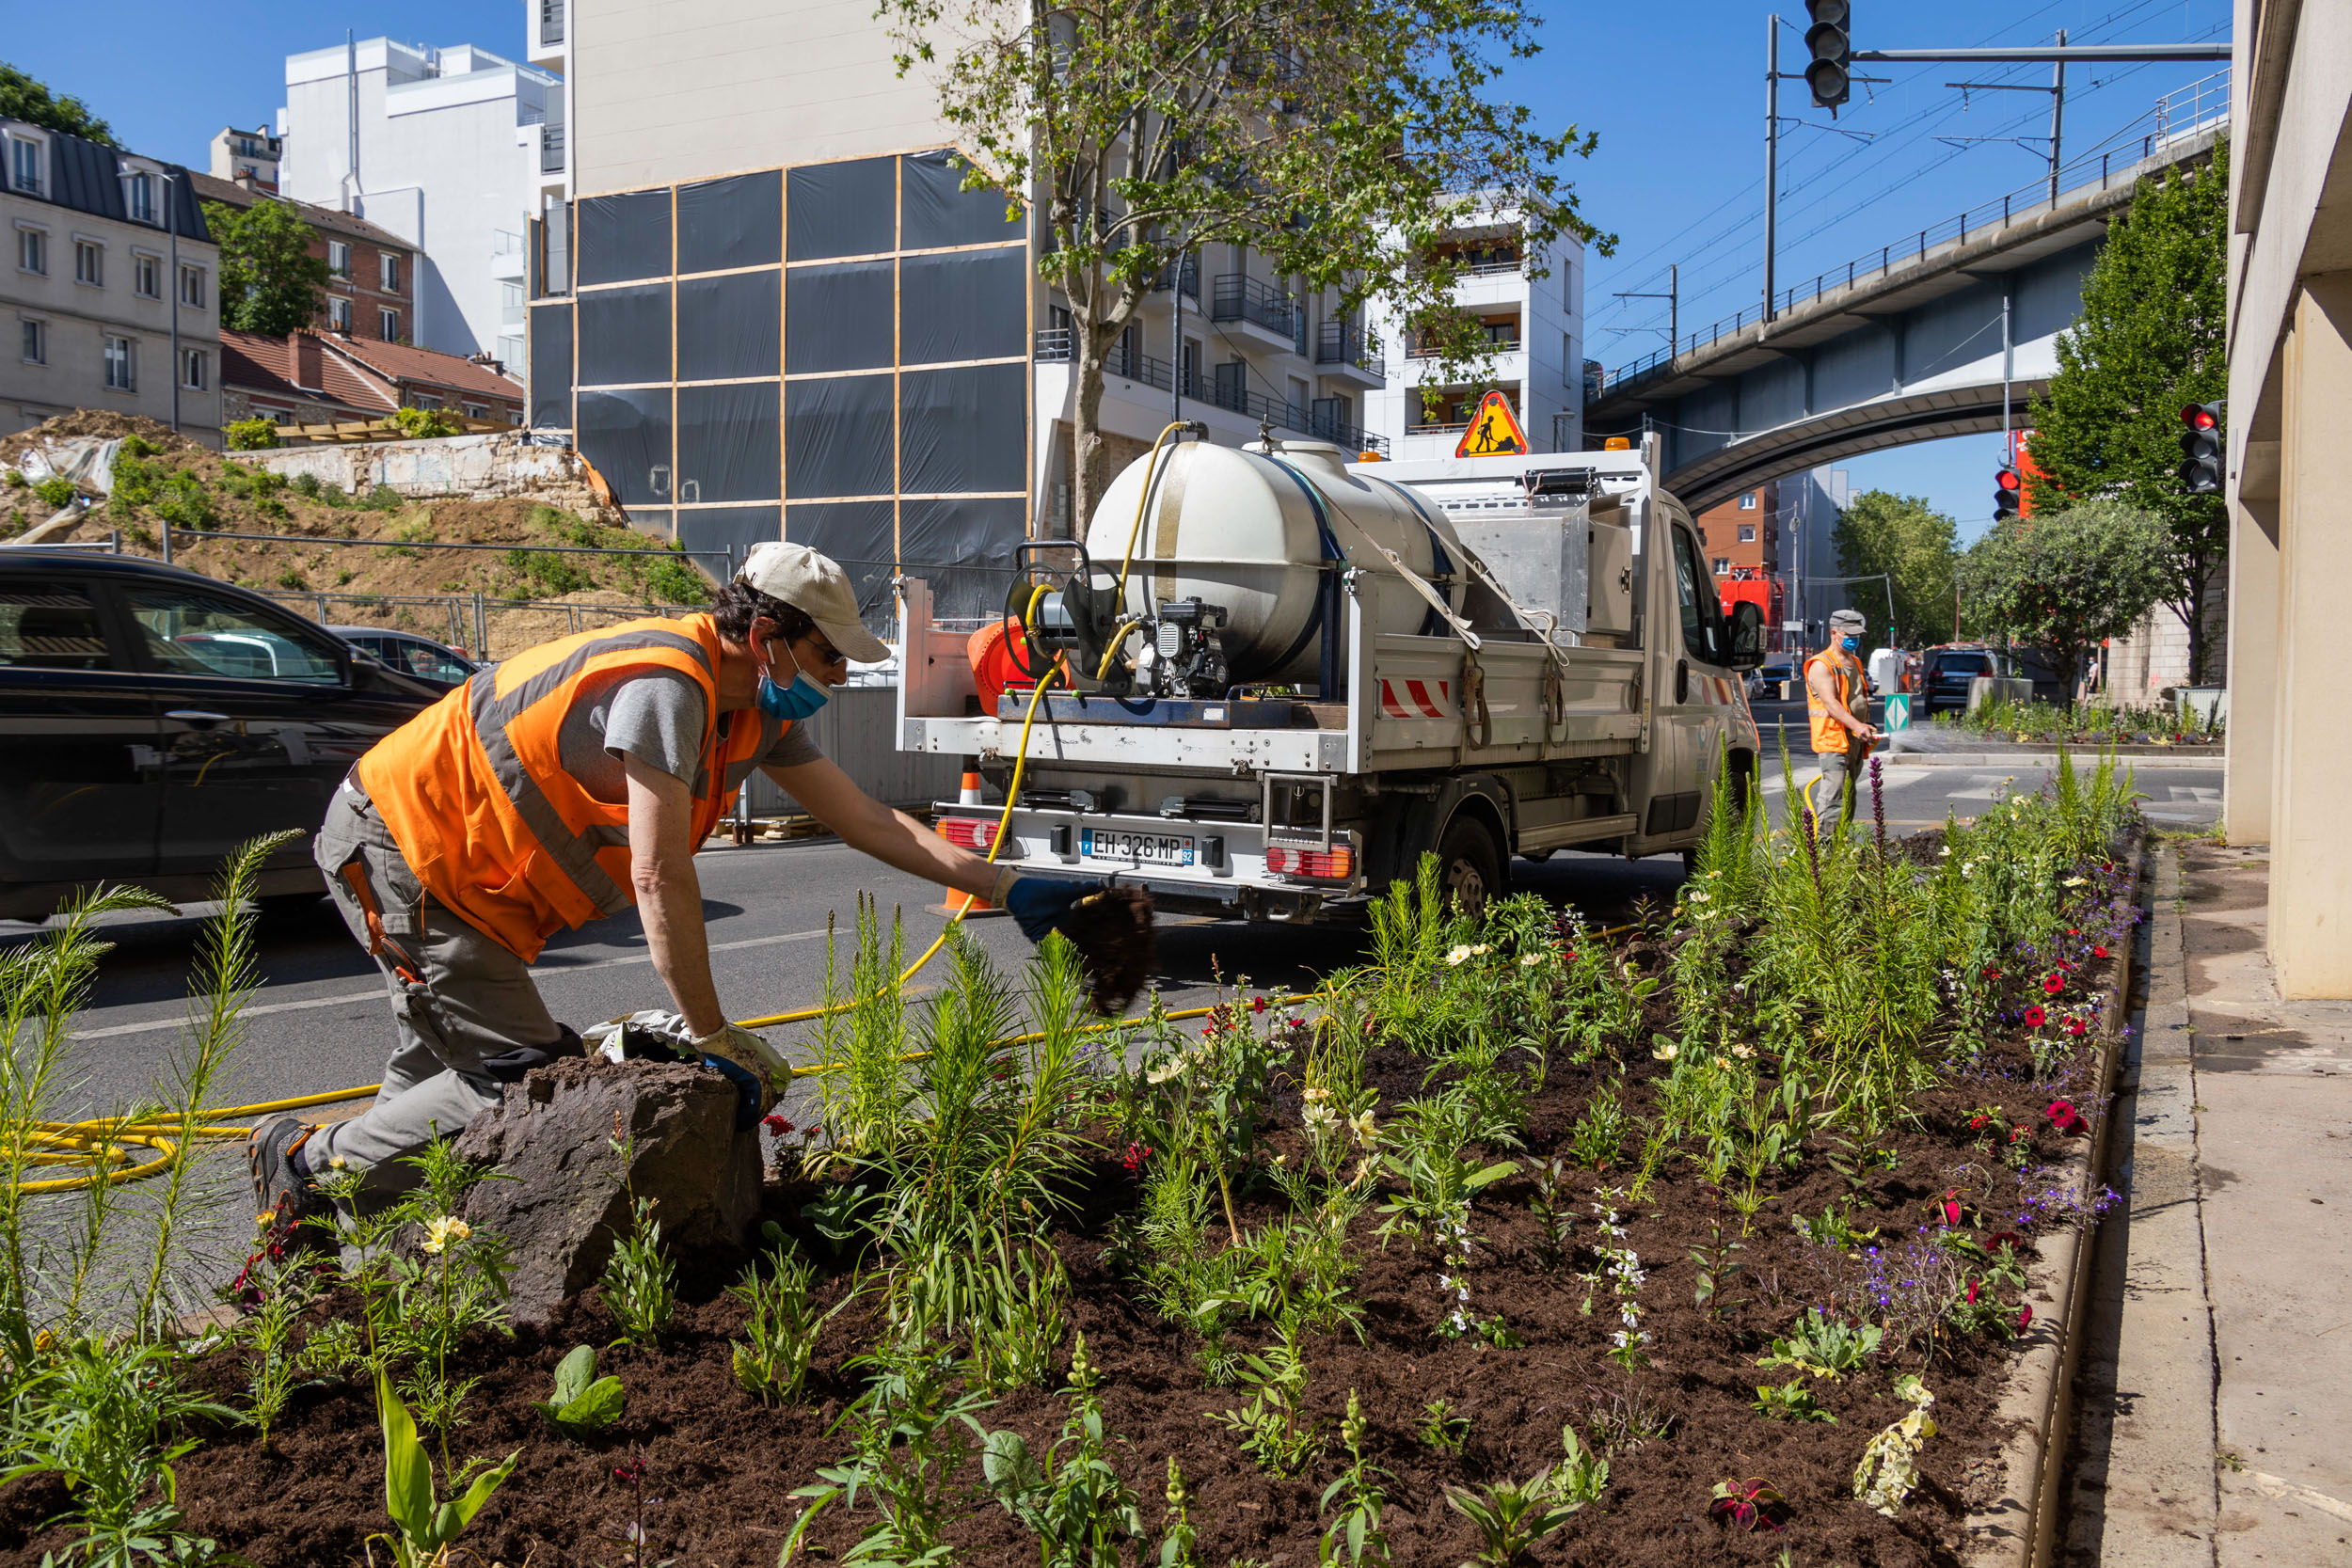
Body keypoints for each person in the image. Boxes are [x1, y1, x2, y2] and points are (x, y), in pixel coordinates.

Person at [250, 543, 1104, 1231]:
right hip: (411, 852)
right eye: (828, 654)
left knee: (437, 1079)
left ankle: (326, 1222)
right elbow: (659, 874)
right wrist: (710, 1032)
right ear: (768, 631)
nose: (840, 677)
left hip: (471, 882)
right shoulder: (668, 684)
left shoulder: (754, 711)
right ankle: (298, 1166)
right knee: (514, 1082)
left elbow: (868, 821)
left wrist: (1007, 883)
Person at [1803, 608, 1883, 836]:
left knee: (1849, 794)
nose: (1853, 639)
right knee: (1833, 794)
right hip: (1833, 740)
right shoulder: (1821, 664)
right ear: (1834, 633)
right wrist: (1857, 726)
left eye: (1856, 635)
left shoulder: (1855, 663)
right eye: (1848, 635)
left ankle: (1842, 842)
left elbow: (1857, 698)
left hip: (1854, 740)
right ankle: (1826, 847)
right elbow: (1832, 704)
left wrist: (1867, 724)